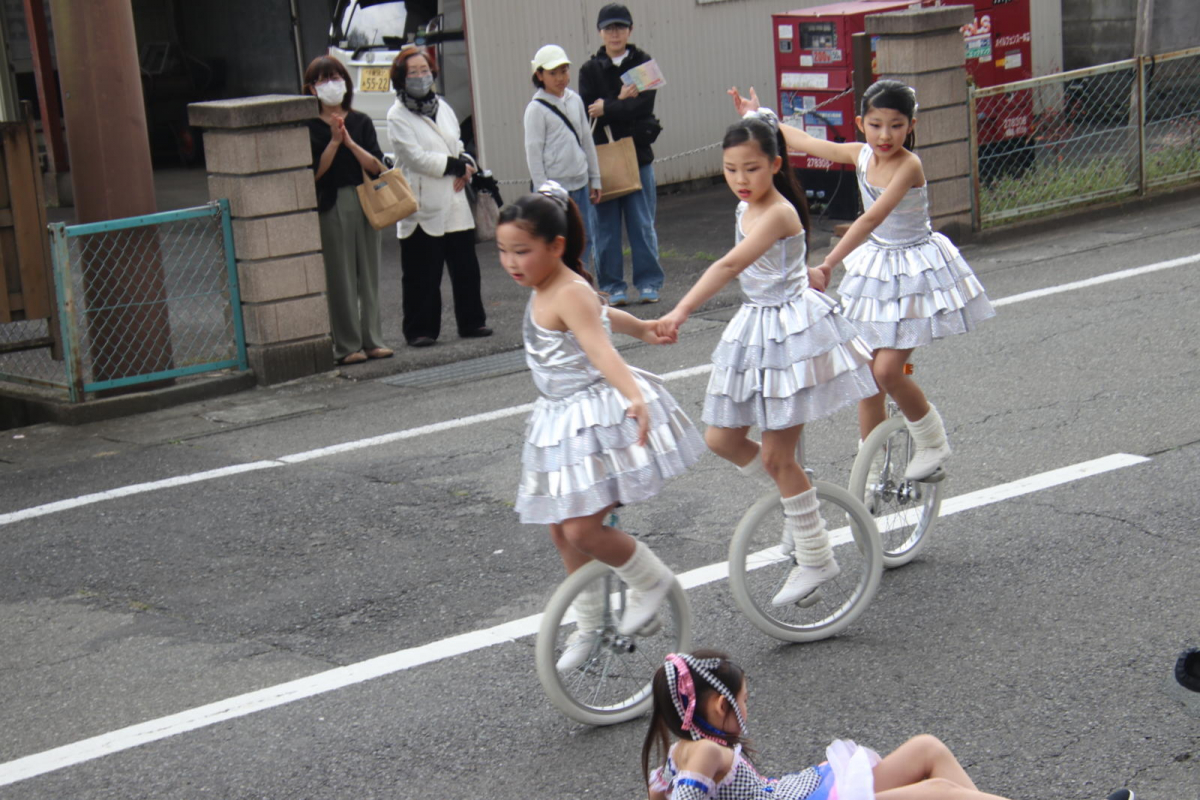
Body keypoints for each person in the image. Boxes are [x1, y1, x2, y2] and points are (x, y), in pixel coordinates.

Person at [656, 110, 876, 607]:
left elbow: (732, 264)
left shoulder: (778, 211)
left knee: (778, 456)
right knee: (720, 438)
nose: (740, 179)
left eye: (751, 168)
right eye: (731, 169)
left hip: (791, 334)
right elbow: (772, 266)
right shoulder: (747, 206)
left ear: (776, 165)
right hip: (757, 328)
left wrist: (681, 310)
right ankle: (796, 491)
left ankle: (816, 555)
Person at [732, 82, 994, 483]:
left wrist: (828, 263)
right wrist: (757, 116)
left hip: (914, 270)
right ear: (860, 123)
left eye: (896, 125)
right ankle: (872, 469)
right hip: (877, 269)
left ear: (911, 126)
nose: (884, 135)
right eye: (875, 125)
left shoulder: (909, 166)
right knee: (867, 379)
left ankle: (932, 440)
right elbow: (803, 141)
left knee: (887, 370)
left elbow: (871, 219)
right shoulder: (860, 154)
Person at [499, 181, 705, 671]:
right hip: (560, 415)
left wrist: (634, 395)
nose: (511, 262)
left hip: (592, 414)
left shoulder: (567, 290)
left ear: (555, 246)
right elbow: (602, 315)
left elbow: (598, 347)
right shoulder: (553, 284)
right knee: (561, 528)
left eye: (521, 251)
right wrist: (643, 326)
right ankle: (591, 622)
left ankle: (649, 580)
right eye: (503, 251)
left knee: (582, 527)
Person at [642, 650, 1135, 800]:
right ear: (720, 707)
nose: (749, 709)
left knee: (927, 749)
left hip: (810, 790)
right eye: (745, 701)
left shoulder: (675, 758)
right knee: (940, 792)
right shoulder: (705, 753)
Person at [387, 46, 491, 348]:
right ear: (401, 78)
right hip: (422, 203)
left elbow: (457, 143)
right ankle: (420, 329)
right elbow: (415, 157)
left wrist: (466, 163)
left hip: (454, 197)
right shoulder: (397, 115)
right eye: (413, 72)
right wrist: (454, 166)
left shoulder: (443, 106)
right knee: (422, 273)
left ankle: (472, 321)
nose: (421, 76)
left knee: (466, 268)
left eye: (425, 70)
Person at [303, 55, 393, 366]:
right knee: (339, 275)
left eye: (336, 78)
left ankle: (373, 340)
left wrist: (350, 143)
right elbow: (314, 173)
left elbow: (377, 166)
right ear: (312, 89)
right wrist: (333, 142)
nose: (332, 85)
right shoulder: (309, 127)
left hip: (365, 197)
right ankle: (346, 345)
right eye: (324, 80)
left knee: (369, 273)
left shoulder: (361, 121)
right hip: (332, 202)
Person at [579, 2, 665, 306]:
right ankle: (612, 286)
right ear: (600, 32)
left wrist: (609, 106)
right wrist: (620, 98)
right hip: (603, 159)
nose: (614, 33)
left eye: (620, 27)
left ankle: (649, 283)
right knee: (605, 228)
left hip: (638, 155)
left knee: (642, 224)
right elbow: (589, 111)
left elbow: (643, 106)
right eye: (609, 28)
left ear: (630, 30)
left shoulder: (643, 62)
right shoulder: (589, 70)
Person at [524, 43, 602, 272]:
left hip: (580, 184)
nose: (560, 78)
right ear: (539, 75)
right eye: (553, 73)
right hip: (555, 190)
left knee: (584, 239)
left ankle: (581, 282)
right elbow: (533, 153)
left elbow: (586, 140)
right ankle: (558, 285)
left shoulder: (575, 100)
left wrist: (595, 178)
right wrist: (543, 191)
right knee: (555, 242)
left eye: (564, 71)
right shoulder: (536, 109)